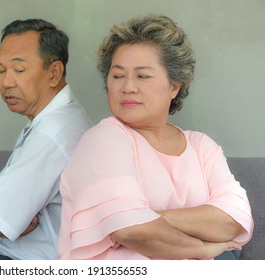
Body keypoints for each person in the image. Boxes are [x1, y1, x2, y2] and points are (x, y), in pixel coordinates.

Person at [57, 14, 254, 260]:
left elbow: (235, 220)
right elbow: (133, 231)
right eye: (118, 76)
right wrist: (203, 248)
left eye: (143, 76)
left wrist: (148, 215)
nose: (128, 86)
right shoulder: (103, 140)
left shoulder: (203, 147)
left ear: (175, 86)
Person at [0, 18, 92, 260]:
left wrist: (10, 216)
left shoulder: (52, 132)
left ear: (54, 73)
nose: (6, 82)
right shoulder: (62, 117)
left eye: (19, 70)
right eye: (0, 70)